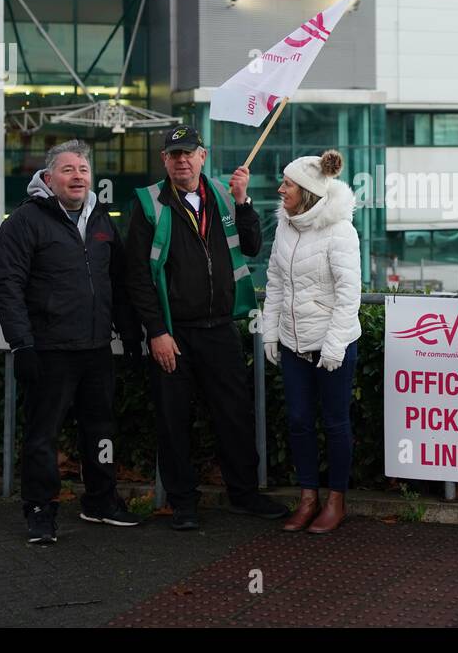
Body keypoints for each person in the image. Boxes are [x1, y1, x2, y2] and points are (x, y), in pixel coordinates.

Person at [125, 125, 288, 530]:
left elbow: (251, 246)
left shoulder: (221, 195)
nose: (182, 160)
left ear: (203, 156)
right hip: (174, 333)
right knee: (173, 418)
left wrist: (243, 200)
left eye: (189, 153)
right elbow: (137, 277)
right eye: (174, 154)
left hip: (220, 329)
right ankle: (183, 503)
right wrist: (157, 332)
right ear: (164, 160)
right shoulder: (148, 202)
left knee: (234, 415)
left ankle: (244, 494)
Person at [0, 140, 143, 545]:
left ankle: (101, 501)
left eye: (84, 170)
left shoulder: (102, 220)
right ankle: (40, 509)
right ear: (48, 177)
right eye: (68, 169)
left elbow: (119, 281)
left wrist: (128, 332)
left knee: (101, 430)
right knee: (43, 435)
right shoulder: (23, 222)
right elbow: (6, 286)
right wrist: (21, 345)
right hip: (48, 350)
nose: (78, 176)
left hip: (95, 348)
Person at [261, 150, 362, 533]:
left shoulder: (340, 231)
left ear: (305, 191)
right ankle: (308, 497)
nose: (280, 188)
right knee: (300, 421)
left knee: (335, 423)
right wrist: (271, 332)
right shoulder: (286, 226)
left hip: (332, 346)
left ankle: (336, 500)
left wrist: (335, 346)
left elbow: (349, 293)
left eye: (287, 183)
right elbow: (275, 282)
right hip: (292, 343)